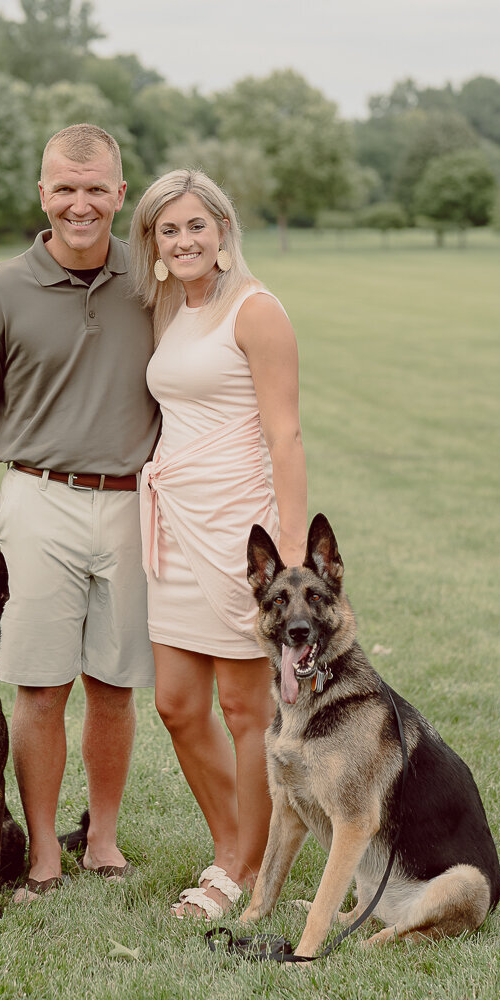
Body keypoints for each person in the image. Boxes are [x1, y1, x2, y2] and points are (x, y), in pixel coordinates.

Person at [0, 124, 159, 897]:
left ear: (120, 195)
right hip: (35, 500)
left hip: (132, 503)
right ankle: (41, 854)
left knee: (115, 684)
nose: (80, 203)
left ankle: (100, 839)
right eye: (64, 187)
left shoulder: (152, 279)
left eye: (96, 189)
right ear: (41, 194)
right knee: (38, 684)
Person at [131, 169, 308, 920]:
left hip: (241, 529)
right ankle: (232, 843)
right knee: (175, 704)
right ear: (156, 243)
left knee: (243, 709)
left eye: (195, 225)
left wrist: (292, 559)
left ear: (222, 230)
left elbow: (285, 433)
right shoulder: (171, 305)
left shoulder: (255, 310)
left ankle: (240, 869)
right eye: (168, 230)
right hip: (175, 524)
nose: (183, 240)